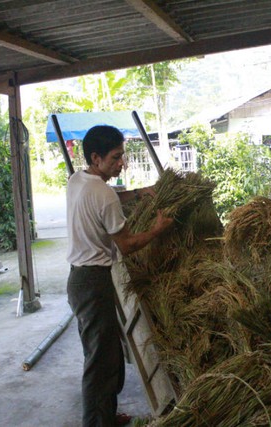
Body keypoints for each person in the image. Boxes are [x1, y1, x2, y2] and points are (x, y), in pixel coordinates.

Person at [66, 125, 173, 426]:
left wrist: (140, 193)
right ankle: (96, 423)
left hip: (80, 279)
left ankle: (107, 415)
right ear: (96, 157)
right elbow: (126, 245)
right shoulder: (104, 195)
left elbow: (107, 198)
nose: (121, 164)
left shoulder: (78, 179)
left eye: (122, 156)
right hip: (93, 281)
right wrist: (158, 229)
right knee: (100, 360)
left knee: (108, 353)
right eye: (115, 158)